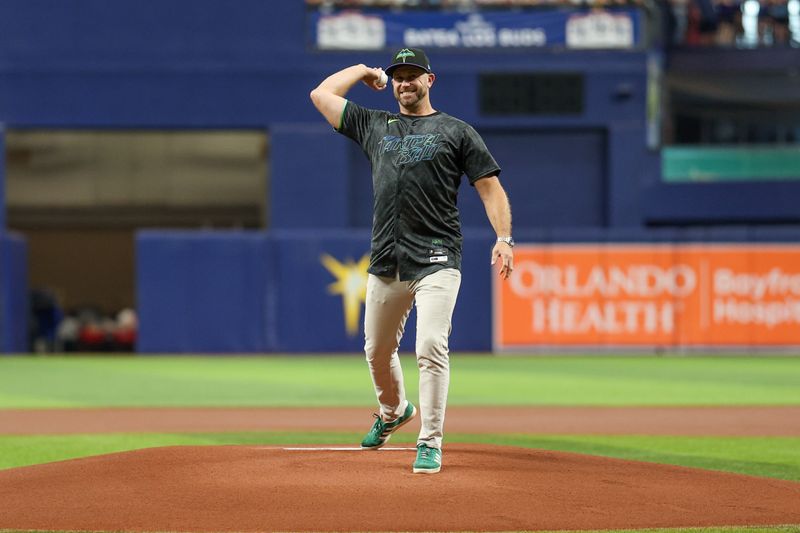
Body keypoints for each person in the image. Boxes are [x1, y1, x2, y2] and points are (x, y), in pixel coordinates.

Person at [310, 47, 513, 474]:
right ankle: (393, 411)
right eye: (398, 76)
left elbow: (489, 187)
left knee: (429, 345)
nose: (404, 82)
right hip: (387, 259)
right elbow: (321, 95)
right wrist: (363, 71)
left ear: (429, 81)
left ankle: (430, 441)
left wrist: (504, 237)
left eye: (413, 75)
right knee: (376, 351)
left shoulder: (456, 131)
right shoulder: (374, 125)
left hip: (438, 257)